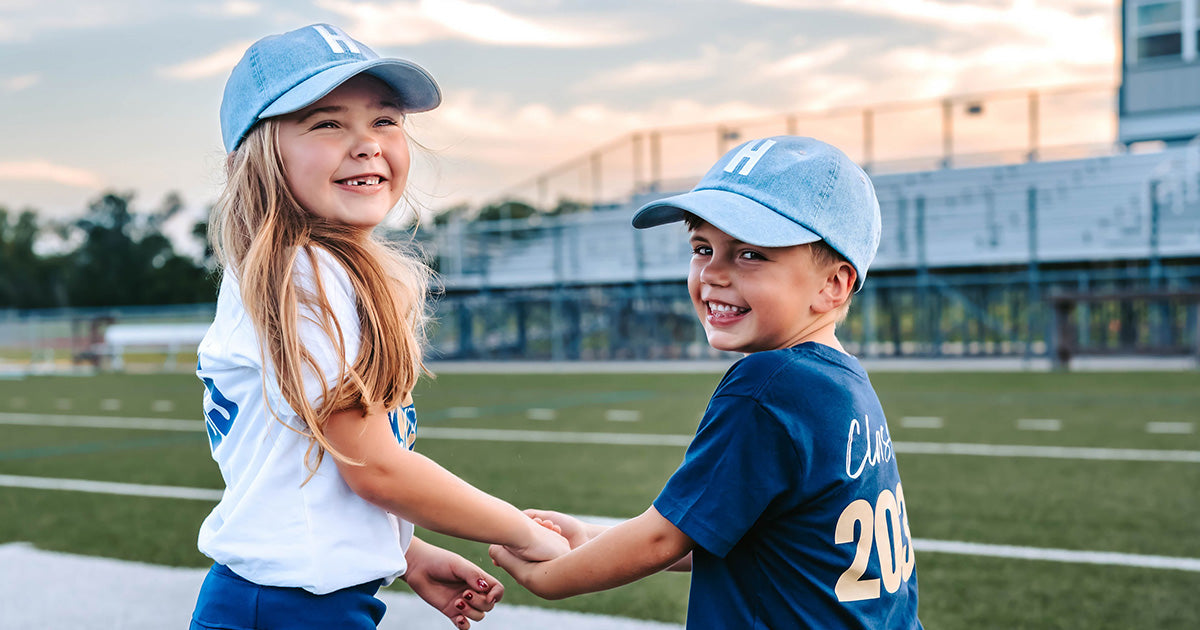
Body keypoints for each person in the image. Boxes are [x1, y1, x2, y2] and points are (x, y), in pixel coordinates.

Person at [191, 24, 568, 630]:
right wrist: (522, 532)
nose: (366, 144)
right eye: (327, 123)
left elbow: (301, 474)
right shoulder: (308, 274)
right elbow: (374, 466)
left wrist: (404, 552)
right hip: (289, 609)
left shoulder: (299, 269)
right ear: (255, 158)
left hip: (285, 602)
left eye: (385, 121)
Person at [491, 136, 923, 629]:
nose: (712, 273)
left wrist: (553, 577)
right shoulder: (843, 382)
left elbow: (663, 539)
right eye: (702, 248)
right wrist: (589, 536)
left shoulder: (768, 383)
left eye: (751, 254)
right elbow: (732, 531)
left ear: (832, 285)